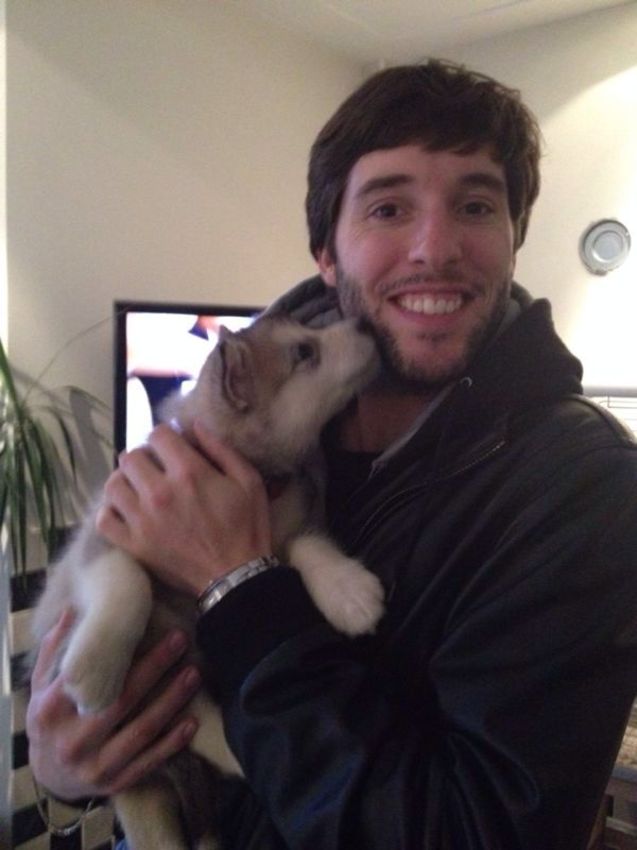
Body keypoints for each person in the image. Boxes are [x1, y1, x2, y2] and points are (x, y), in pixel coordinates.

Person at [26, 60, 637, 849]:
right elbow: (92, 666)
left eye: (476, 205)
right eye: (388, 207)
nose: (435, 247)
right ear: (325, 249)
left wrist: (240, 585)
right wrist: (65, 768)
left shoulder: (583, 487)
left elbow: (479, 831)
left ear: (513, 238)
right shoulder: (255, 430)